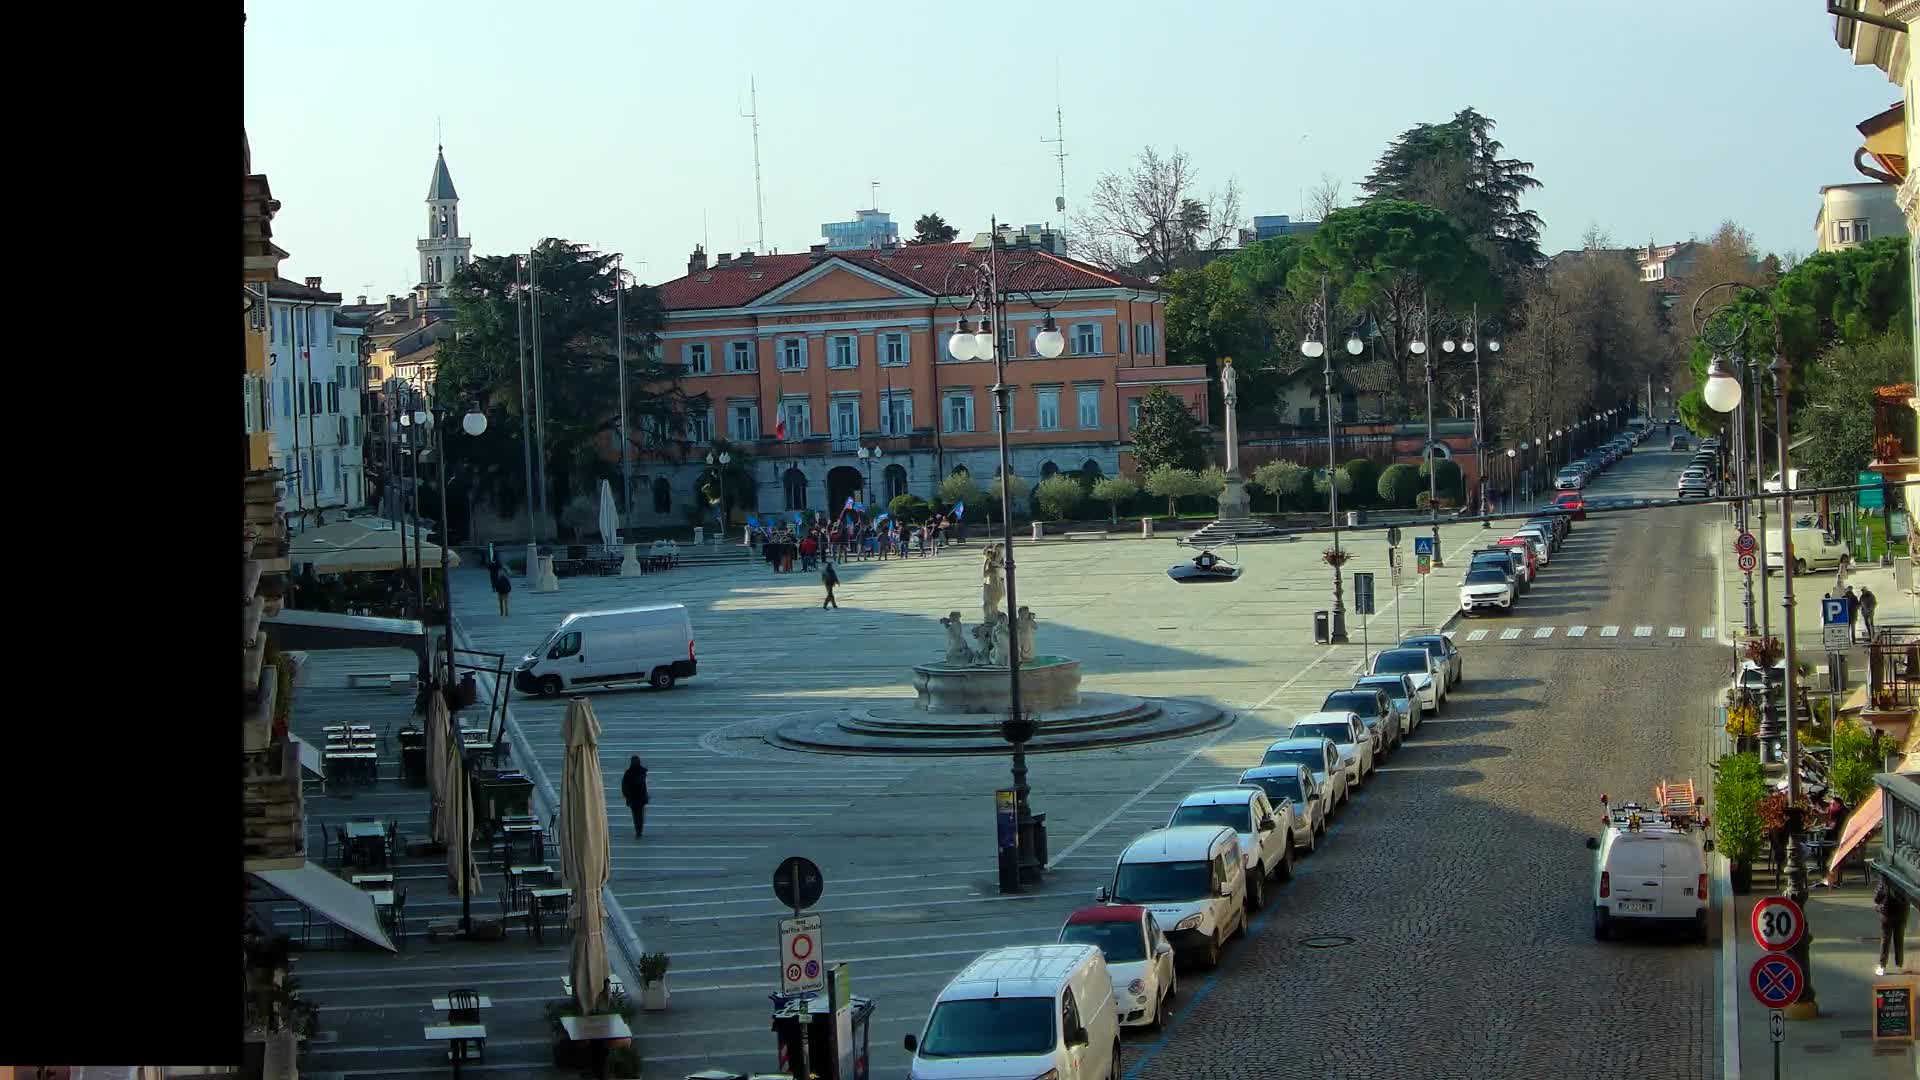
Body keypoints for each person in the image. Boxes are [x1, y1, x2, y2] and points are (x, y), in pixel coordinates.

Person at [1876, 871, 1910, 976]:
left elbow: (1879, 893)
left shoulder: (1885, 873)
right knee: (1899, 938)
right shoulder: (1907, 873)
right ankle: (1899, 965)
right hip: (1902, 911)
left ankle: (1882, 966)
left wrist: (1877, 903)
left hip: (1887, 911)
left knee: (1885, 939)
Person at [620, 756, 649, 839]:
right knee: (638, 815)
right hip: (635, 797)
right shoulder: (640, 772)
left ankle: (638, 831)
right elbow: (625, 786)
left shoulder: (631, 772)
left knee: (637, 815)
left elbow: (645, 785)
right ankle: (638, 831)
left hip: (637, 797)